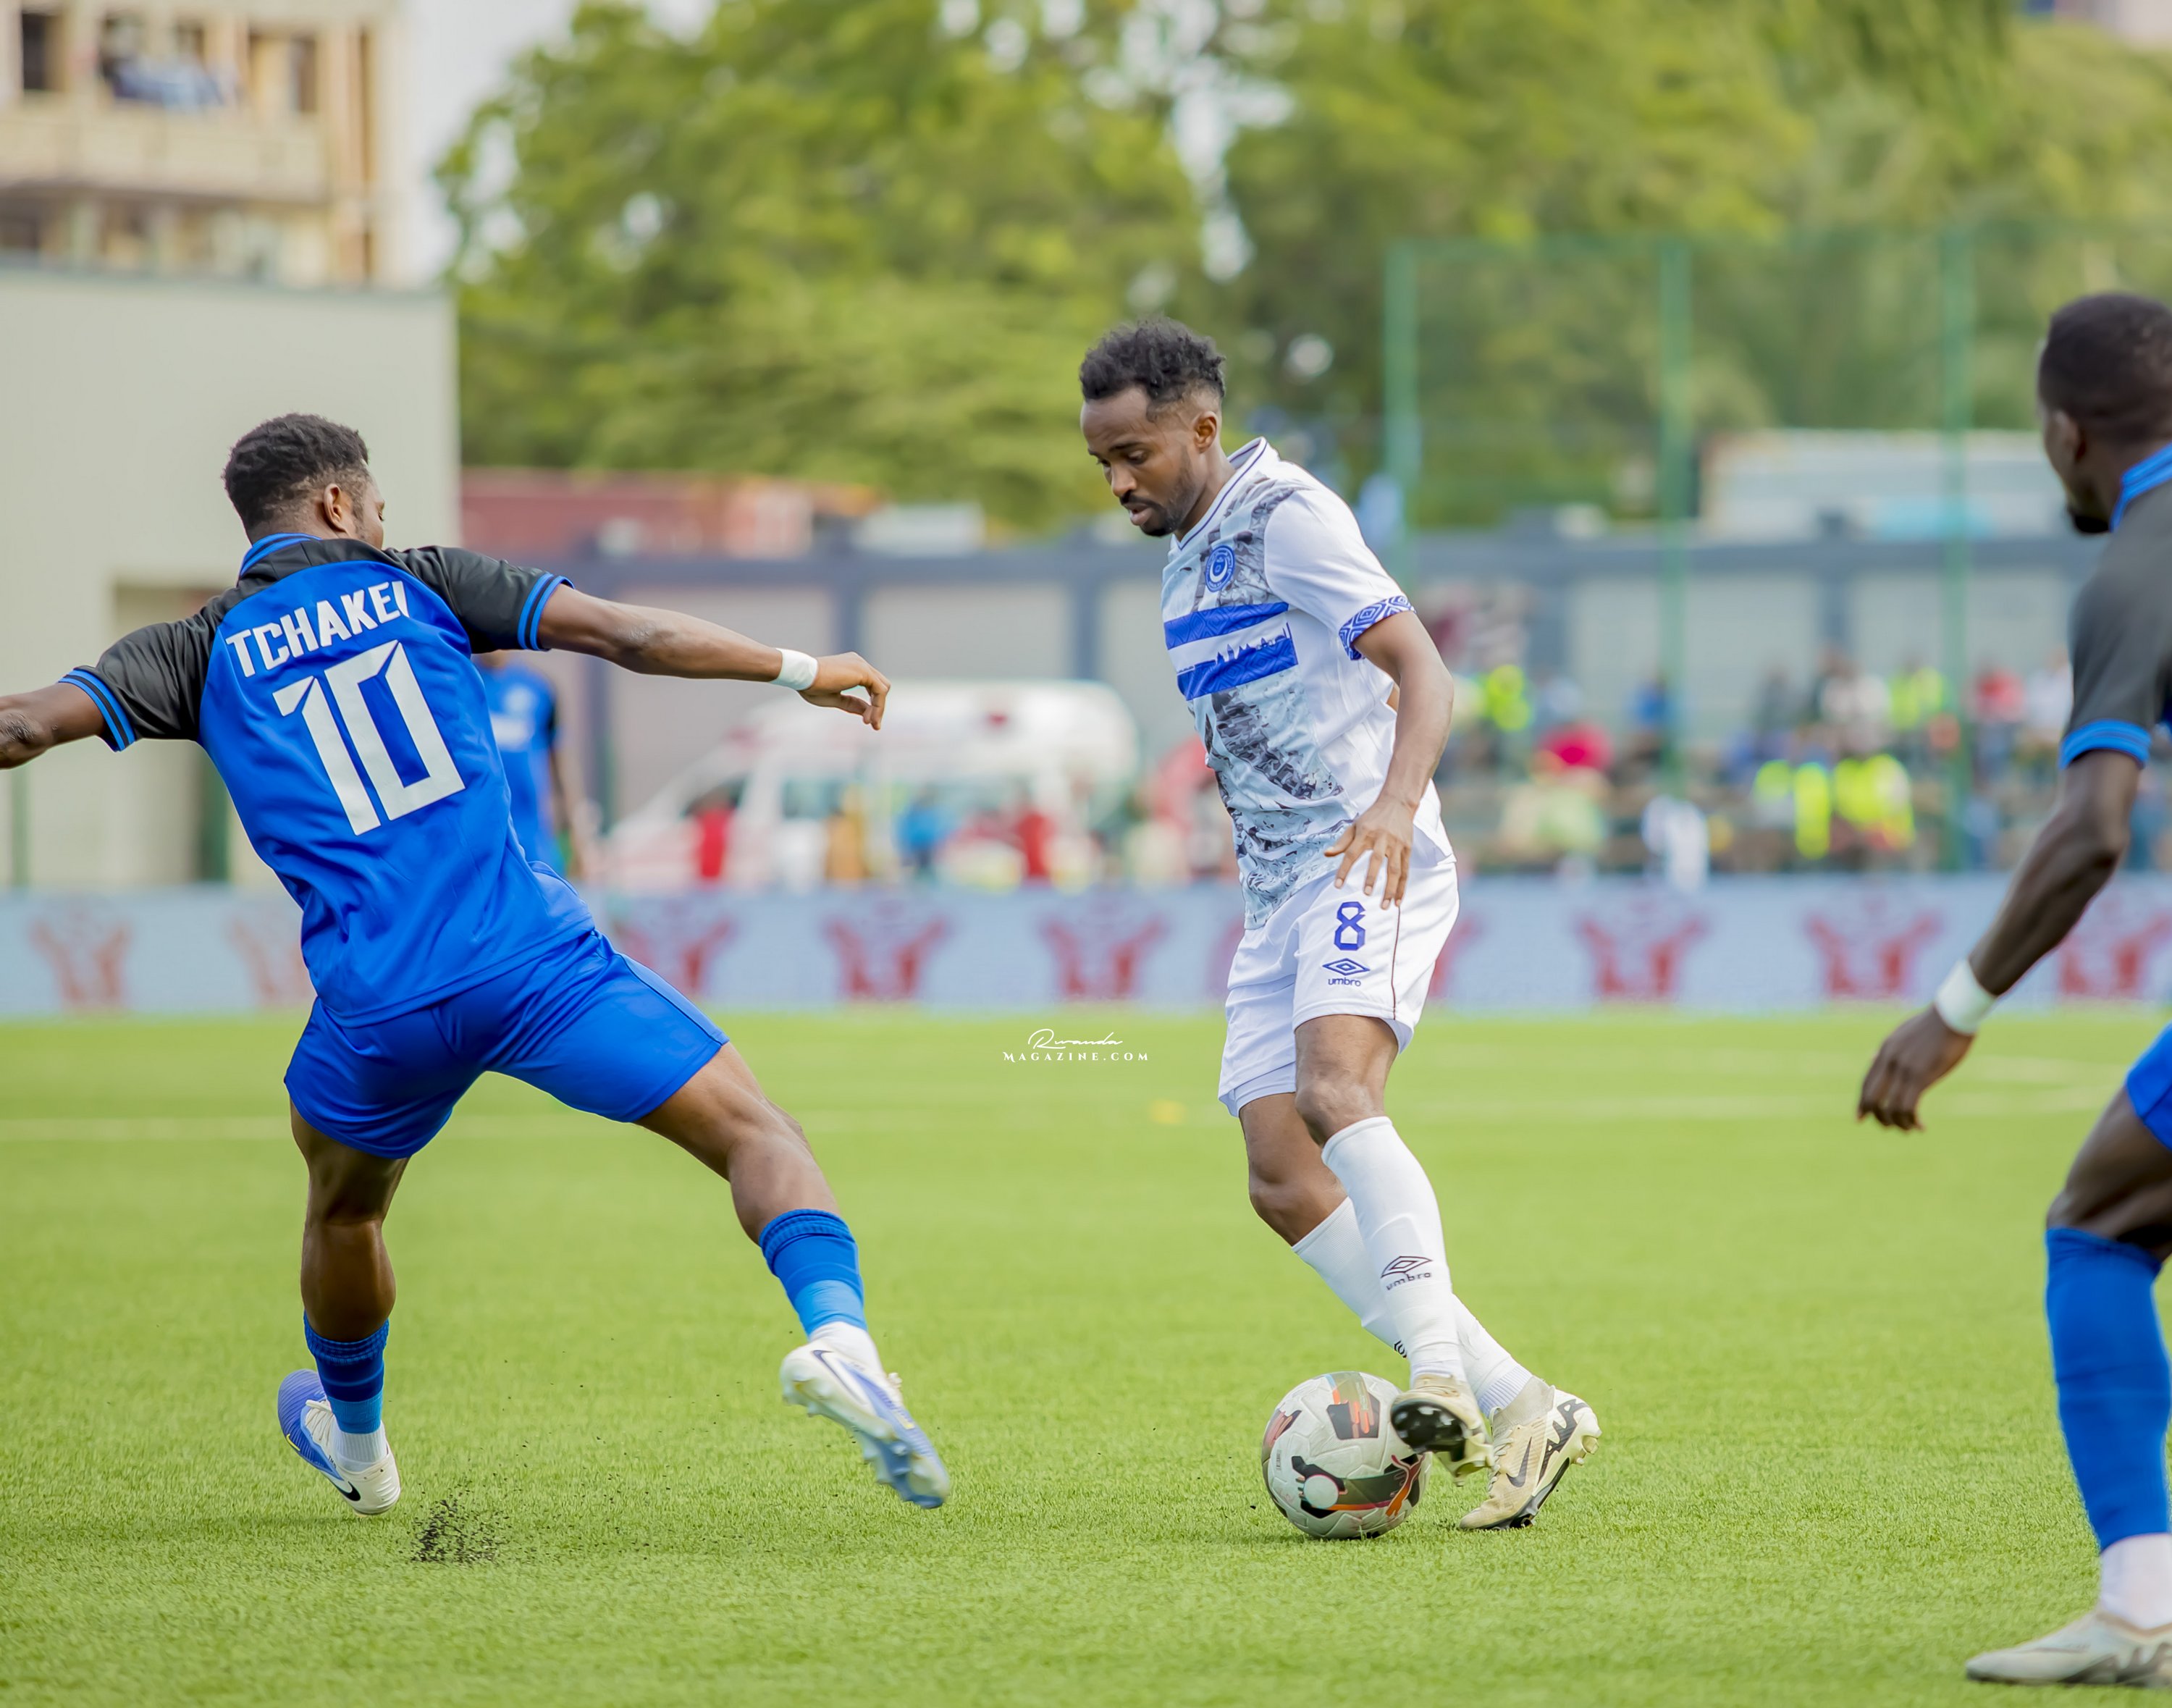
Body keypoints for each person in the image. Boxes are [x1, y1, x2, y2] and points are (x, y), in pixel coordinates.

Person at [0, 415, 948, 1518]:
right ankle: (841, 1344)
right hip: (529, 962)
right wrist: (803, 669)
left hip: (377, 1010)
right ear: (339, 504)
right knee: (755, 1131)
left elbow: (23, 725)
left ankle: (361, 1453)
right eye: (377, 502)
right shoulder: (426, 581)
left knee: (345, 1214)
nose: (383, 518)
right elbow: (635, 636)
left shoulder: (193, 649)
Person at [1079, 320, 1599, 1530]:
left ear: (1203, 427)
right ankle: (1528, 1402)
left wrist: (1396, 808)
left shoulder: (1290, 516)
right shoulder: (1182, 565)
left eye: (1135, 453)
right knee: (1278, 1173)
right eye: (1102, 461)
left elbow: (1425, 668)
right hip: (1279, 897)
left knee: (1334, 1088)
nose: (1117, 482)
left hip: (1370, 854)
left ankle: (1439, 1378)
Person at [1857, 293, 2172, 1686]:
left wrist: (1955, 1007)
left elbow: (2091, 828)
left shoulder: (2137, 568)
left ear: (2066, 433)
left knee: (2099, 1225)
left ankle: (2142, 1602)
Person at [476, 651, 576, 875]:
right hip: (481, 840)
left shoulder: (538, 687)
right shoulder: (463, 682)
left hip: (534, 840)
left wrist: (576, 839)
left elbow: (560, 768)